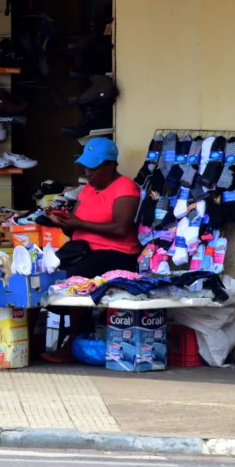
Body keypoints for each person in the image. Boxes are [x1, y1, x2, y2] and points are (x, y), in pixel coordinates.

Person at [43, 137, 139, 361]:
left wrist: (79, 224)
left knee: (74, 279)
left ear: (110, 165)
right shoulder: (87, 189)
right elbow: (76, 227)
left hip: (116, 253)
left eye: (94, 168)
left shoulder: (125, 187)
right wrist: (64, 223)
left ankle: (73, 342)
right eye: (86, 167)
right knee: (46, 275)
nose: (88, 172)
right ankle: (53, 338)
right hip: (83, 249)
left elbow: (121, 228)